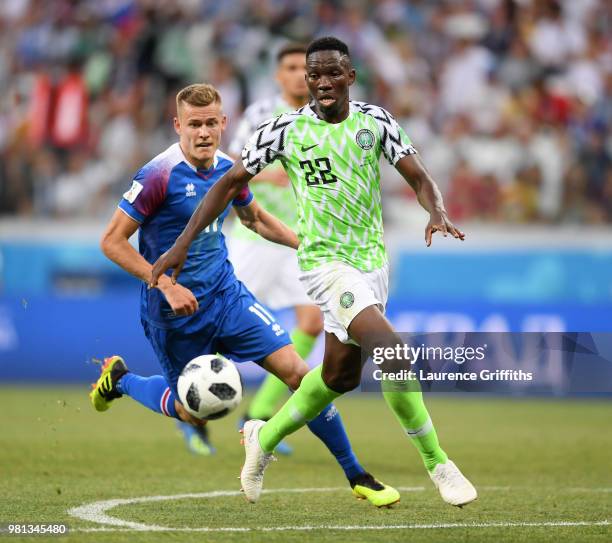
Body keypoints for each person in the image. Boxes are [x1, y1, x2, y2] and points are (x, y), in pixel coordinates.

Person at [150, 38, 478, 507]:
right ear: (307, 81)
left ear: (350, 77)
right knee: (393, 353)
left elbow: (419, 177)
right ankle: (439, 464)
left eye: (332, 73)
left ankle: (261, 438)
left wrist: (436, 208)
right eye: (314, 75)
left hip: (371, 265)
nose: (322, 82)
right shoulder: (282, 130)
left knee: (340, 376)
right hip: (324, 263)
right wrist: (182, 244)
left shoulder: (376, 122)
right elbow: (228, 183)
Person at [91, 82, 400, 508]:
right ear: (177, 125)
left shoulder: (228, 169)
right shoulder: (156, 175)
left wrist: (306, 245)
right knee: (192, 411)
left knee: (298, 373)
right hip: (172, 312)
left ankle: (357, 474)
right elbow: (112, 242)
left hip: (227, 297)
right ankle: (121, 380)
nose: (203, 133)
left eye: (210, 124)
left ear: (223, 124)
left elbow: (254, 218)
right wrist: (165, 283)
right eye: (193, 124)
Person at [227, 43, 322, 455]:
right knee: (221, 327)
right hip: (255, 235)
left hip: (297, 239)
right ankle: (187, 407)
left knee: (313, 322)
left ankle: (259, 414)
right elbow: (232, 162)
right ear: (278, 75)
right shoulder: (261, 115)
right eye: (292, 67)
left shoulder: (326, 116)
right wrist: (267, 176)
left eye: (308, 68)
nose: (302, 74)